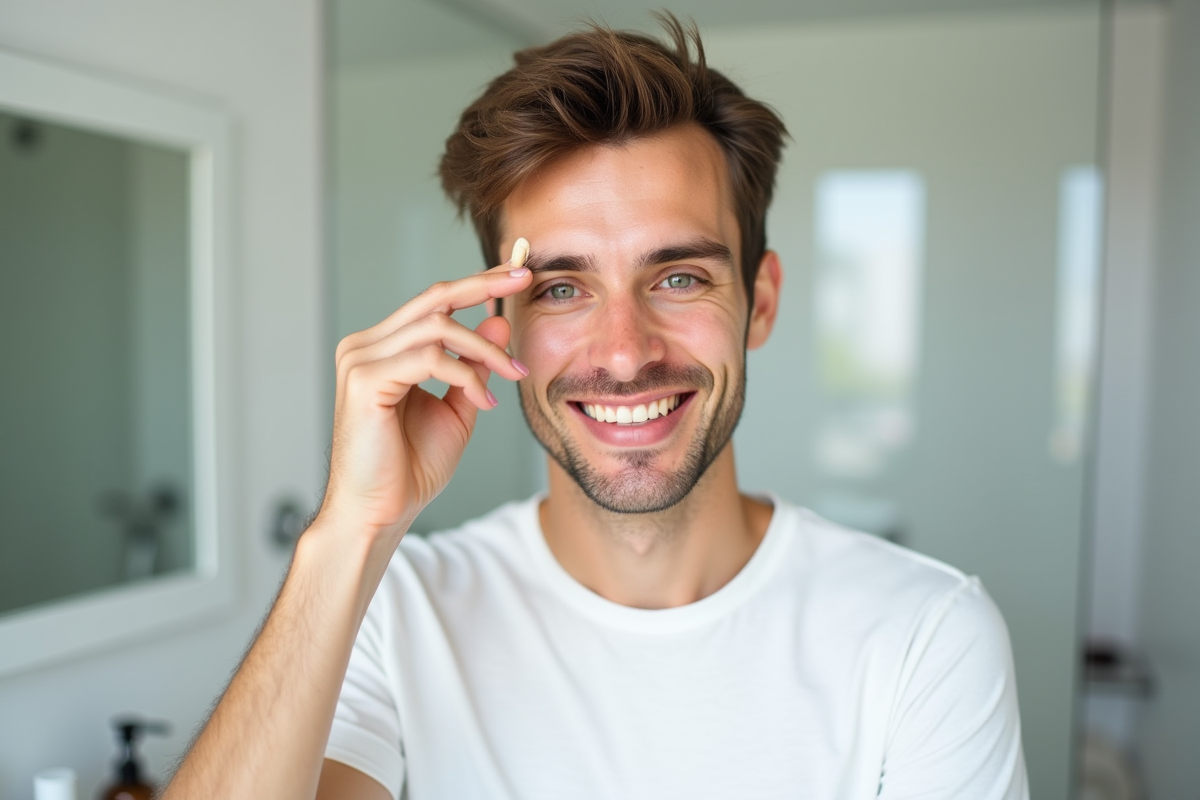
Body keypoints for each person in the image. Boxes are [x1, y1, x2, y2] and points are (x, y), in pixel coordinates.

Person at [164, 16, 1028, 800]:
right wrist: (346, 534)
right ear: (497, 327)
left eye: (679, 276)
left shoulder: (924, 635)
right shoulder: (395, 614)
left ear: (759, 304)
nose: (624, 350)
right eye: (564, 288)